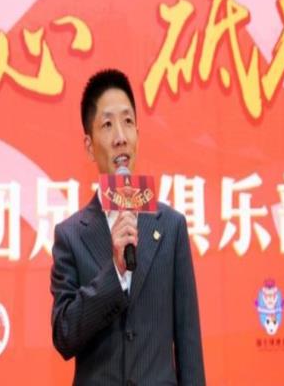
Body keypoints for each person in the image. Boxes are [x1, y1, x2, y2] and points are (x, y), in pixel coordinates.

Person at [51, 69, 205, 385]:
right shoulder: (70, 236)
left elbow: (188, 344)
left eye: (128, 121)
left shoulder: (171, 227)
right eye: (107, 125)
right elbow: (64, 334)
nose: (120, 136)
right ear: (89, 146)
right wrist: (115, 272)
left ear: (137, 134)